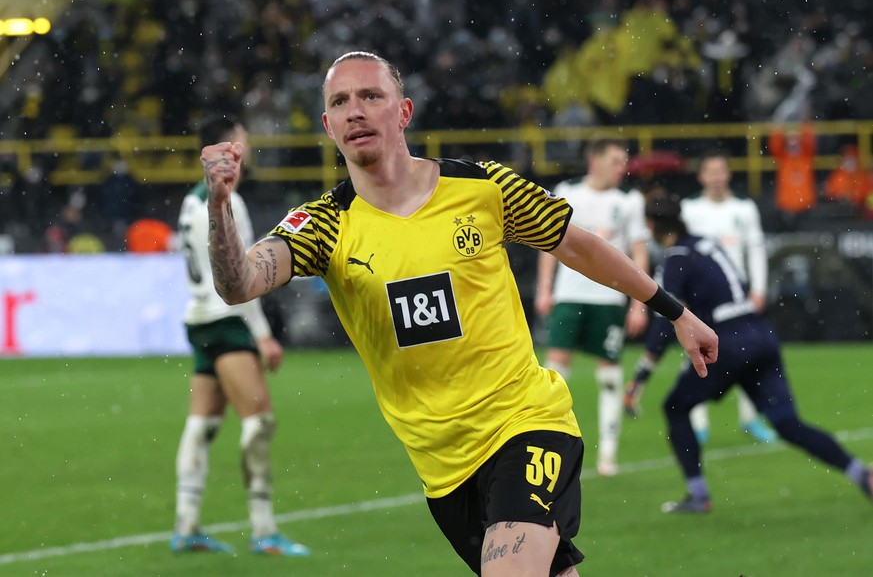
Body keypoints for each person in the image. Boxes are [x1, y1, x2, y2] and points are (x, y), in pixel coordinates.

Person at [200, 51, 717, 576]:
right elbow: (238, 283)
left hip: (526, 424)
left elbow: (578, 247)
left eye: (370, 96)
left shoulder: (483, 187)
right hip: (444, 469)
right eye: (340, 102)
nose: (355, 111)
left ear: (403, 112)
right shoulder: (324, 226)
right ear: (327, 125)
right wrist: (219, 208)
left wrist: (673, 311)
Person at [624, 194, 872, 513]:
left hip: (728, 343)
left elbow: (665, 320)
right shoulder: (707, 244)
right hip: (760, 334)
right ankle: (860, 472)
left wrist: (641, 376)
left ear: (651, 225)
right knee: (787, 423)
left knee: (675, 408)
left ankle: (698, 495)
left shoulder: (676, 259)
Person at [171, 114, 310, 556]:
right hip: (228, 321)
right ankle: (265, 530)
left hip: (199, 321)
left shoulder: (191, 202)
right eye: (242, 141)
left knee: (204, 422)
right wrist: (264, 334)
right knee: (259, 422)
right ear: (227, 146)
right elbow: (241, 278)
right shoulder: (229, 203)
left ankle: (185, 524)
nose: (246, 149)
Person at [534, 137, 649, 477]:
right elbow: (547, 244)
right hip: (569, 295)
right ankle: (546, 443)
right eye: (616, 160)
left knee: (610, 375)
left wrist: (639, 304)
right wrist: (544, 289)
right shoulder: (567, 192)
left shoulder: (629, 201)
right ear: (594, 160)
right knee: (556, 372)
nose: (622, 167)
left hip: (610, 298)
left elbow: (638, 251)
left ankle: (608, 456)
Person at [679, 150, 776, 445]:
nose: (717, 177)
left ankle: (750, 418)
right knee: (695, 352)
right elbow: (681, 254)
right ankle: (698, 422)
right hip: (700, 297)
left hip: (737, 295)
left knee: (747, 356)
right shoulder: (689, 209)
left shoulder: (744, 208)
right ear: (702, 176)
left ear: (728, 175)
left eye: (722, 171)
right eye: (712, 171)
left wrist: (759, 289)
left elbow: (755, 250)